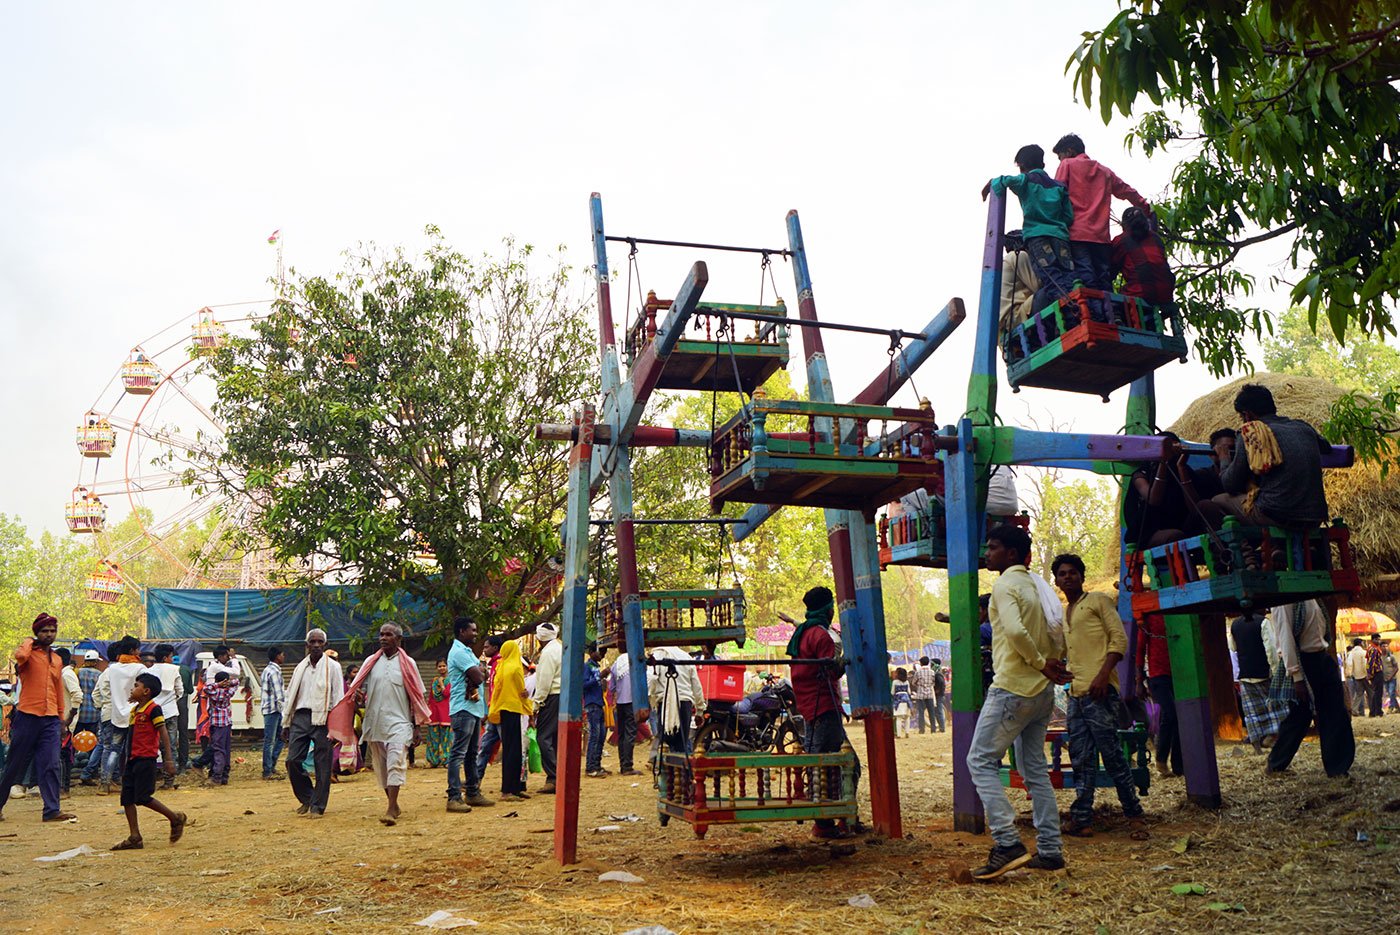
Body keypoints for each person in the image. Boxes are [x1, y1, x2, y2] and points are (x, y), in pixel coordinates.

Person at [966, 525, 1069, 880]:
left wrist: (1041, 662)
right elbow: (1058, 630)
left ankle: (1008, 842)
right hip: (1041, 692)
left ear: (1011, 554)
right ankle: (1051, 850)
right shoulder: (1038, 587)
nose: (988, 553)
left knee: (979, 760)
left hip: (1013, 687)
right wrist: (1050, 666)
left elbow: (1013, 631)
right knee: (1034, 770)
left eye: (993, 547)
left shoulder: (1005, 585)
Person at [1052, 553, 1144, 837]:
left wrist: (1104, 675)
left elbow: (1119, 640)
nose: (1068, 577)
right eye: (1062, 574)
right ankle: (1082, 819)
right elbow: (1070, 651)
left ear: (1081, 576)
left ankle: (1135, 816)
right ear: (1056, 580)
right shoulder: (1065, 613)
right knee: (1081, 757)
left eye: (1072, 573)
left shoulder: (1099, 602)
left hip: (1101, 691)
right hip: (1077, 693)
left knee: (1113, 755)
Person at [330, 623, 430, 826]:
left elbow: (417, 697)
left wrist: (417, 726)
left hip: (400, 722)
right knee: (382, 767)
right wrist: (357, 699)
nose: (383, 638)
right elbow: (357, 690)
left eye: (388, 635)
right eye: (381, 634)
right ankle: (393, 802)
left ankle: (391, 808)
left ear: (398, 639)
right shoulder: (370, 662)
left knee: (395, 762)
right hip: (375, 722)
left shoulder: (409, 663)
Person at [786, 585, 858, 840]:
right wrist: (847, 661)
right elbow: (831, 672)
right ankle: (826, 824)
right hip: (824, 704)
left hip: (809, 705)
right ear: (828, 609)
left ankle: (843, 819)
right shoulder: (821, 636)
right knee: (828, 765)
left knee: (825, 760)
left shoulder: (802, 633)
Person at [1216, 383, 1331, 531]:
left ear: (1247, 415)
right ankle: (1280, 548)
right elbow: (1326, 447)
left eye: (1241, 417)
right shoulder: (1303, 427)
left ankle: (1247, 553)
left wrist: (1224, 458)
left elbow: (1230, 484)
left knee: (1217, 500)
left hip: (1277, 515)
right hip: (1315, 517)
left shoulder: (1250, 433)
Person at [1052, 133, 1152, 298]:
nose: (1060, 160)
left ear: (1069, 151)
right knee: (1104, 280)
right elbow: (1127, 191)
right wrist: (1145, 209)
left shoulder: (1067, 165)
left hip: (1077, 235)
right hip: (1102, 238)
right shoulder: (1104, 172)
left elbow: (1056, 195)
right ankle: (1112, 314)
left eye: (1060, 156)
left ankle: (1099, 316)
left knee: (1086, 277)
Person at [982, 144, 1076, 319]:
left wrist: (991, 186)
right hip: (1060, 236)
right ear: (1043, 164)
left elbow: (1002, 182)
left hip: (1037, 238)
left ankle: (1072, 313)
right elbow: (1068, 217)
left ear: (1021, 167)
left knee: (1051, 277)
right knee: (1068, 274)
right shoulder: (1059, 186)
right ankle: (1080, 303)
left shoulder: (1025, 180)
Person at [0, 614, 75, 822]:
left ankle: (52, 810)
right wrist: (27, 641)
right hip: (27, 717)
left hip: (50, 719)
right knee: (13, 765)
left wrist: (61, 719)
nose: (49, 634)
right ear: (36, 633)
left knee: (51, 763)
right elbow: (20, 657)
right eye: (44, 631)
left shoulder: (57, 660)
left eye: (52, 631)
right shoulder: (29, 655)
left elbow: (58, 690)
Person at [1267, 600, 1354, 777]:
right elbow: (1285, 638)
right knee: (1299, 717)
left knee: (1335, 712)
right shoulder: (1284, 602)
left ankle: (1337, 768)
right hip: (1303, 661)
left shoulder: (1312, 597)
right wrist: (1296, 676)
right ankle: (1276, 764)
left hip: (1321, 657)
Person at [110, 672, 186, 851]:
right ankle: (134, 836)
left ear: (146, 691)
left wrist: (168, 759)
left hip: (146, 759)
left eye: (136, 686)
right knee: (127, 798)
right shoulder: (136, 710)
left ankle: (175, 818)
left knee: (142, 797)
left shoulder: (153, 709)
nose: (132, 689)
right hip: (132, 759)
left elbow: (163, 733)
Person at [282, 629, 343, 817]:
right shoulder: (300, 667)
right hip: (300, 717)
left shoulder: (333, 667)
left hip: (324, 718)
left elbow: (338, 697)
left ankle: (318, 806)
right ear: (307, 644)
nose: (316, 645)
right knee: (292, 761)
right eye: (313, 642)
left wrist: (336, 727)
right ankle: (307, 797)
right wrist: (286, 723)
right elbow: (291, 694)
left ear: (325, 644)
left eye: (319, 642)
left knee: (322, 764)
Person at [445, 617, 492, 813]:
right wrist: (481, 671)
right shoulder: (459, 652)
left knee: (471, 753)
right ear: (462, 631)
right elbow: (480, 677)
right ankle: (454, 797)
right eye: (472, 630)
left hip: (472, 709)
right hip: (463, 709)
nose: (475, 633)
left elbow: (482, 674)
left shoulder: (467, 652)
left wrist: (481, 671)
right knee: (459, 754)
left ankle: (472, 792)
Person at [1134, 613, 1182, 777]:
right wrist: (1139, 680)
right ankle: (1161, 759)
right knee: (1171, 714)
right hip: (1157, 675)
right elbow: (1140, 649)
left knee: (1177, 718)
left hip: (1178, 672)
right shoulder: (1149, 618)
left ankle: (1178, 765)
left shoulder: (1177, 616)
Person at [487, 638, 532, 801]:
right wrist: (529, 707)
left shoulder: (501, 666)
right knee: (514, 750)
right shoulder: (515, 668)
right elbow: (522, 691)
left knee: (509, 750)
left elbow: (496, 689)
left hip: (503, 710)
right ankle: (509, 790)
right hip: (514, 710)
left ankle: (512, 788)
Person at [102, 637, 147, 795]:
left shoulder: (112, 669)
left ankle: (105, 782)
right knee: (133, 751)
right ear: (132, 651)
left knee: (114, 749)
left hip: (117, 715)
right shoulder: (140, 669)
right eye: (137, 649)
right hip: (135, 714)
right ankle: (130, 782)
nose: (139, 652)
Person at [1231, 612, 1282, 751]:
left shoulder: (1234, 625)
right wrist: (1276, 670)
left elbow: (1233, 647)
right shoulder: (1263, 622)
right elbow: (1270, 649)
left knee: (1251, 713)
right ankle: (1272, 735)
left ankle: (1256, 743)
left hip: (1245, 674)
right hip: (1263, 672)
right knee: (1274, 708)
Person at [1110, 206, 1175, 312]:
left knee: (1114, 304)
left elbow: (1110, 271)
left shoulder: (1121, 241)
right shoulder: (1156, 238)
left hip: (1141, 294)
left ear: (1125, 225)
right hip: (1167, 294)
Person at [647, 645, 705, 757]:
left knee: (665, 741)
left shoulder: (657, 655)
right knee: (681, 743)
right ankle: (683, 770)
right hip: (684, 703)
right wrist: (699, 711)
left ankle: (666, 768)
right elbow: (696, 686)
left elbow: (651, 678)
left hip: (665, 703)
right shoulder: (685, 656)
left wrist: (649, 700)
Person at [530, 622, 562, 795]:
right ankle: (554, 778)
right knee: (554, 738)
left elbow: (544, 681)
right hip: (560, 696)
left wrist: (537, 703)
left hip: (551, 696)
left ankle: (554, 775)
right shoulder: (559, 648)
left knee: (543, 737)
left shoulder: (549, 652)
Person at [607, 633, 642, 777]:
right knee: (630, 734)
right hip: (631, 701)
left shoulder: (617, 663)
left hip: (620, 702)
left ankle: (623, 764)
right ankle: (627, 766)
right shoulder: (633, 662)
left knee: (621, 734)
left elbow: (611, 686)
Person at [999, 229, 1042, 340]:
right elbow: (1037, 286)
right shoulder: (1018, 256)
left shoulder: (1005, 262)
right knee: (1048, 291)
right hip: (1016, 316)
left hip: (1007, 321)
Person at [474, 635, 506, 782]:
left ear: (495, 648)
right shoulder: (493, 664)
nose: (484, 649)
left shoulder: (500, 664)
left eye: (486, 647)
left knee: (505, 746)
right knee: (485, 745)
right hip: (494, 711)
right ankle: (475, 778)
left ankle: (514, 781)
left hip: (500, 711)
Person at [259, 647, 286, 780]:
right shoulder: (274, 672)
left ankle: (271, 765)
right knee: (270, 740)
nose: (283, 656)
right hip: (273, 709)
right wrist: (285, 711)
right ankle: (267, 770)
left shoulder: (267, 670)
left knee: (279, 738)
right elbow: (279, 694)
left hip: (271, 709)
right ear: (277, 656)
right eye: (282, 654)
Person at [583, 641, 609, 778]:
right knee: (594, 735)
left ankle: (597, 764)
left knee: (601, 735)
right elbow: (584, 684)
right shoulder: (587, 667)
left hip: (599, 703)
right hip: (592, 704)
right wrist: (600, 676)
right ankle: (590, 767)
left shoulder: (595, 667)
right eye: (601, 653)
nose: (603, 656)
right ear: (593, 652)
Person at [205, 672, 237, 785]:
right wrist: (229, 683)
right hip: (227, 722)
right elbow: (236, 682)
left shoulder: (214, 691)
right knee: (226, 749)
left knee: (218, 749)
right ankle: (224, 776)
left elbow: (206, 688)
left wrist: (218, 684)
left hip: (217, 722)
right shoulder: (229, 691)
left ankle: (216, 776)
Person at [425, 659, 452, 768]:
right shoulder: (434, 681)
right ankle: (433, 760)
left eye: (444, 666)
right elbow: (431, 697)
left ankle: (446, 760)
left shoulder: (451, 680)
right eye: (439, 666)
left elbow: (446, 694)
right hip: (434, 713)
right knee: (433, 738)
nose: (442, 668)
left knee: (446, 738)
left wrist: (441, 683)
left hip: (445, 713)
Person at [909, 657, 941, 734]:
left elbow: (913, 682)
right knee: (931, 712)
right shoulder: (932, 672)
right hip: (929, 694)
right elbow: (933, 683)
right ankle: (933, 729)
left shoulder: (918, 672)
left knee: (921, 712)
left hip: (920, 694)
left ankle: (922, 729)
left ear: (921, 663)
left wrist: (919, 685)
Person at [1345, 639, 1369, 716]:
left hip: (1356, 676)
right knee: (1371, 693)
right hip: (1365, 675)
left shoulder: (1352, 653)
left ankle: (1354, 710)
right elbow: (1366, 663)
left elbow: (1349, 664)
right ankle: (1373, 710)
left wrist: (1349, 673)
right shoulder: (1363, 652)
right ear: (1360, 643)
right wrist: (1368, 673)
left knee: (1359, 694)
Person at [1366, 634, 1387, 718]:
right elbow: (1371, 662)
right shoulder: (1374, 649)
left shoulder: (1371, 648)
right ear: (1373, 640)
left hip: (1375, 673)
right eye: (1377, 640)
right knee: (1378, 693)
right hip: (1377, 673)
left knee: (1376, 692)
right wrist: (1370, 673)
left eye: (1379, 639)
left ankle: (1374, 711)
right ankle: (1377, 711)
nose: (1379, 641)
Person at [891, 668, 912, 738]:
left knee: (898, 718)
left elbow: (892, 692)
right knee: (907, 717)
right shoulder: (907, 682)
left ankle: (899, 734)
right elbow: (909, 692)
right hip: (906, 700)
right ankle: (907, 732)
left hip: (898, 701)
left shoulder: (895, 682)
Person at [1383, 643, 1399, 713]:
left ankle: (1391, 707)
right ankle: (1397, 707)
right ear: (1380, 647)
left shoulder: (1392, 657)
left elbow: (1396, 668)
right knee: (1390, 693)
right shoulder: (1379, 657)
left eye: (1386, 646)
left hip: (1392, 678)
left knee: (1391, 692)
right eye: (1383, 646)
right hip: (1384, 678)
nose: (1385, 648)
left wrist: (1391, 676)